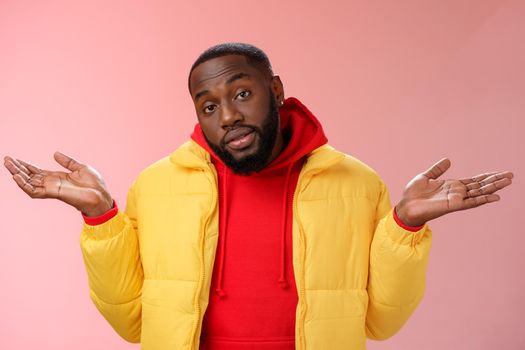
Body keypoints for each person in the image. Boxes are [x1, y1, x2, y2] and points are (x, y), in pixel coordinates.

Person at [3, 43, 513, 350]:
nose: (227, 116)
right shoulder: (156, 187)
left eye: (241, 94)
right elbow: (133, 320)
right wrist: (101, 219)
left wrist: (403, 226)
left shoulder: (357, 184)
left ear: (275, 88)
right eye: (208, 105)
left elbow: (382, 321)